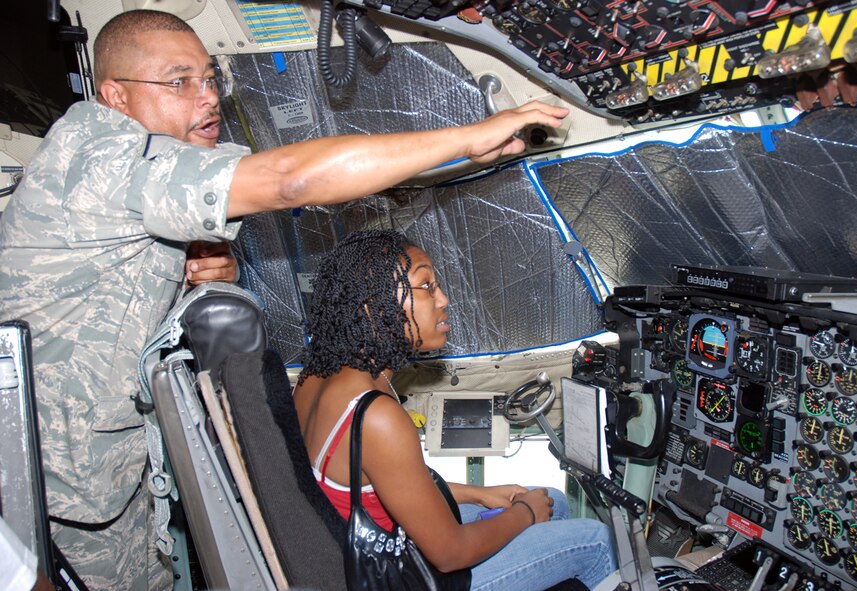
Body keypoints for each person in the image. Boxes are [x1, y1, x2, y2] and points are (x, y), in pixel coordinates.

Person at [0, 8, 569, 590]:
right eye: (179, 82)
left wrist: (196, 277)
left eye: (210, 77)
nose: (208, 98)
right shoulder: (102, 158)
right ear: (115, 97)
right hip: (51, 485)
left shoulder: (154, 173)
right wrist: (470, 132)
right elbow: (289, 180)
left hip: (105, 475)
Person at [294, 230, 615, 590]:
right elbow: (450, 553)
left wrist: (481, 493)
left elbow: (393, 487)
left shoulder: (315, 378)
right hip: (411, 577)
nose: (444, 299)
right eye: (426, 286)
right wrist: (525, 515)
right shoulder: (377, 416)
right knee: (595, 540)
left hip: (388, 548)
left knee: (552, 500)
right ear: (373, 305)